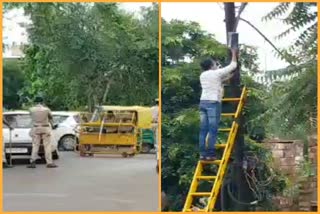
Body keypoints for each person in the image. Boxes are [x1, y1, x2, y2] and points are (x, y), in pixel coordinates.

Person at [199, 49, 237, 160]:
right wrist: (234, 53)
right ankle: (210, 154)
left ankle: (203, 154)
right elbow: (233, 65)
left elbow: (218, 81)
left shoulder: (203, 75)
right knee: (213, 129)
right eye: (215, 63)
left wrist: (228, 78)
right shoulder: (216, 73)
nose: (216, 65)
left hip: (203, 102)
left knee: (203, 130)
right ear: (211, 65)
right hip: (213, 103)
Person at [27, 96, 58, 168]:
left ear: (35, 102)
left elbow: (31, 117)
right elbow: (50, 118)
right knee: (47, 146)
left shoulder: (31, 109)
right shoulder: (46, 109)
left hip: (36, 128)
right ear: (42, 102)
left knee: (35, 145)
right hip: (45, 128)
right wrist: (52, 125)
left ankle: (32, 162)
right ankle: (49, 162)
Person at [151, 98, 159, 171]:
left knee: (157, 146)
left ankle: (158, 162)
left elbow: (151, 118)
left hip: (154, 125)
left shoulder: (152, 109)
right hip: (158, 125)